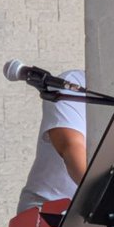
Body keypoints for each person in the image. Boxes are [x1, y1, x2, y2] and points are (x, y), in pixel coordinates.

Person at [16, 69, 86, 212]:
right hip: (48, 211)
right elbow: (71, 147)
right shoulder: (72, 85)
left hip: (108, 219)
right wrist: (106, 201)